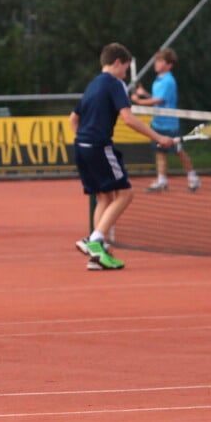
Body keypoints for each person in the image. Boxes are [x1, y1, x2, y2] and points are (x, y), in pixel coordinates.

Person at [69, 44, 177, 271]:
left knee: (104, 198)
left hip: (81, 147)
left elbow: (73, 119)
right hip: (99, 146)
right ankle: (95, 240)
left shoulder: (93, 84)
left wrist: (85, 139)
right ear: (117, 62)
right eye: (126, 69)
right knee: (125, 194)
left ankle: (97, 256)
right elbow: (128, 118)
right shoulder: (115, 84)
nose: (125, 75)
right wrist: (158, 137)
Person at [130, 48, 199, 193]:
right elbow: (158, 100)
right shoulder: (159, 79)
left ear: (169, 65)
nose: (156, 63)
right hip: (157, 122)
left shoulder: (168, 80)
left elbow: (160, 100)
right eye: (156, 60)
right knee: (159, 152)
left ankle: (193, 178)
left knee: (178, 151)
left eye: (160, 61)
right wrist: (144, 94)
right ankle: (162, 181)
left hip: (170, 124)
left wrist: (138, 101)